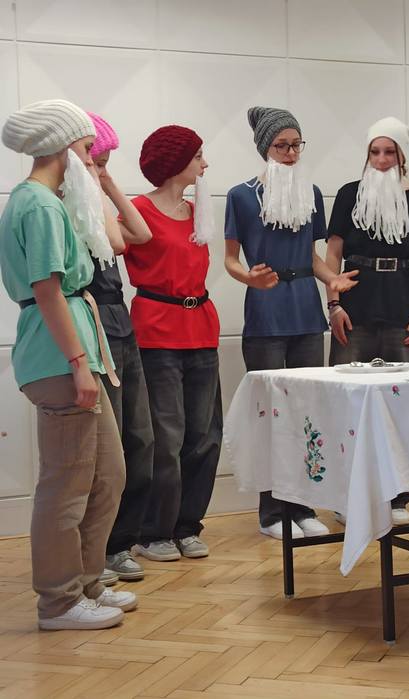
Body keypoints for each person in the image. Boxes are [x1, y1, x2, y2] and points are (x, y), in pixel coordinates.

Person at [0, 99, 136, 630]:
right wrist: (78, 361)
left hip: (77, 346)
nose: (90, 156)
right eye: (85, 146)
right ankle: (58, 601)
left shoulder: (48, 200)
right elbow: (47, 289)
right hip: (59, 354)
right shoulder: (37, 204)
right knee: (66, 482)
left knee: (108, 474)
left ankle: (86, 581)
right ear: (62, 146)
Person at [224, 106, 358, 541]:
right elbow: (229, 259)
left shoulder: (311, 192)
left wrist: (331, 280)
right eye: (282, 145)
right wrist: (248, 277)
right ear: (265, 148)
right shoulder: (241, 195)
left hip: (304, 308)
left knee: (307, 409)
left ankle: (302, 505)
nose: (291, 153)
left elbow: (312, 256)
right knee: (270, 412)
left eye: (297, 144)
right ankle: (271, 512)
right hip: (265, 307)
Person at [325, 116, 409, 526]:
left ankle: (396, 496)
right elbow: (333, 253)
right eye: (374, 152)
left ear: (402, 156)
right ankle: (347, 494)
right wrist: (333, 304)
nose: (381, 160)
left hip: (403, 307)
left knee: (401, 404)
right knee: (348, 401)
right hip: (354, 307)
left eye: (389, 152)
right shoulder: (349, 194)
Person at [124, 124, 222, 561]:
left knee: (204, 435)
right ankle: (153, 531)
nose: (205, 163)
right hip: (158, 331)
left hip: (200, 327)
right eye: (198, 156)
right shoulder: (138, 210)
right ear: (175, 161)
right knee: (166, 437)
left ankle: (187, 526)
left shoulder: (197, 211)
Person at [85, 113, 154, 582]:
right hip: (93, 320)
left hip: (120, 319)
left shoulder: (96, 196)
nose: (102, 170)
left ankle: (121, 543)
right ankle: (98, 548)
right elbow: (122, 243)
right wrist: (93, 186)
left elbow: (141, 234)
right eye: (97, 161)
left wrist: (107, 183)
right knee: (105, 448)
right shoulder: (66, 206)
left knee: (141, 439)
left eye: (108, 162)